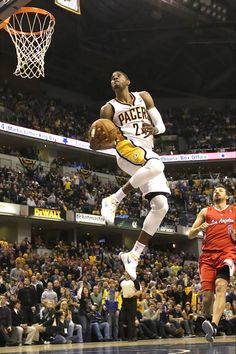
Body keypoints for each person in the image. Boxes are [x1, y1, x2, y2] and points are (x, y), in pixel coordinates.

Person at [90, 71, 170, 280]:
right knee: (156, 166)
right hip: (126, 149)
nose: (114, 78)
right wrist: (98, 140)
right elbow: (97, 141)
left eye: (118, 76)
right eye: (111, 77)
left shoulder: (144, 96)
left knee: (161, 206)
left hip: (147, 152)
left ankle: (133, 255)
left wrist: (155, 129)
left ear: (128, 81)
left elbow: (160, 126)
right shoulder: (108, 108)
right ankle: (113, 200)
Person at [188, 184, 236, 342]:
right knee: (207, 297)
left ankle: (214, 325)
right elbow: (189, 234)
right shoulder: (205, 211)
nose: (217, 191)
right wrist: (199, 229)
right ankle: (209, 320)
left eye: (220, 190)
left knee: (221, 286)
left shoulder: (234, 210)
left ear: (227, 196)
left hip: (228, 254)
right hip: (207, 257)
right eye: (215, 190)